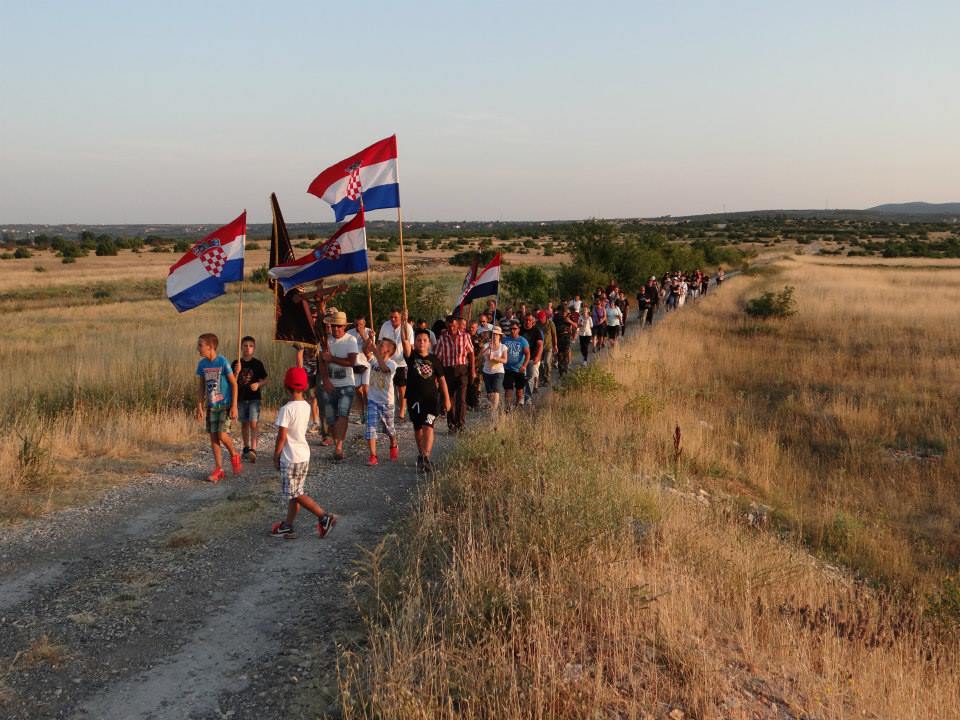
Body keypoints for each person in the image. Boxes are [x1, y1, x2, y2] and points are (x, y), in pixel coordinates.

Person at [270, 367, 337, 539]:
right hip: (303, 455)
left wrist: (276, 455)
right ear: (305, 386)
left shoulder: (286, 409)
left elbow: (282, 437)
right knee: (295, 492)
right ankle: (288, 525)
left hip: (290, 457)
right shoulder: (306, 406)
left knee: (296, 494)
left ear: (286, 386)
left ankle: (324, 517)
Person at [195, 333, 241, 483]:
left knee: (221, 434)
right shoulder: (202, 365)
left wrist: (234, 406)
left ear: (210, 347)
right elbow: (201, 386)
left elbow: (234, 384)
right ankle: (219, 468)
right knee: (213, 437)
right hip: (211, 406)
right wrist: (199, 406)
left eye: (200, 345)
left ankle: (234, 454)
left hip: (225, 405)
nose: (198, 348)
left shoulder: (222, 361)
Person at [405, 328, 451, 471]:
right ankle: (421, 455)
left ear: (430, 343)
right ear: (415, 342)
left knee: (428, 426)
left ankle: (426, 457)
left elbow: (442, 380)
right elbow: (404, 341)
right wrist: (404, 324)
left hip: (431, 400)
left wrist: (447, 399)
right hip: (414, 399)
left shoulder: (434, 360)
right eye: (419, 340)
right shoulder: (411, 357)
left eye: (425, 340)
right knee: (418, 428)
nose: (422, 343)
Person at [318, 310, 358, 462]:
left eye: (338, 326)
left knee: (342, 414)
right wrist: (326, 380)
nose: (335, 329)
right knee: (330, 417)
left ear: (344, 327)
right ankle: (337, 444)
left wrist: (332, 358)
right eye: (333, 326)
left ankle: (339, 447)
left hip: (346, 383)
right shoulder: (325, 340)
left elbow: (352, 362)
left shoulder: (351, 340)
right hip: (329, 383)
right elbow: (321, 362)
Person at [434, 314, 475, 433]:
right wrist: (437, 374)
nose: (452, 328)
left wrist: (472, 370)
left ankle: (461, 424)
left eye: (454, 326)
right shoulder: (442, 338)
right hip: (448, 370)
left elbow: (471, 353)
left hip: (462, 369)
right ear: (446, 325)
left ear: (457, 325)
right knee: (449, 398)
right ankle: (451, 425)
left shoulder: (465, 336)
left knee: (461, 399)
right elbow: (437, 357)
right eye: (449, 326)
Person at [364, 336, 398, 466]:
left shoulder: (392, 364)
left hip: (386, 403)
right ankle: (373, 455)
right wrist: (369, 341)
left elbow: (384, 369)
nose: (378, 345)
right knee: (370, 427)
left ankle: (393, 443)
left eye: (381, 345)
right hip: (372, 400)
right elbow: (365, 350)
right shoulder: (374, 361)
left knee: (389, 428)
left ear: (387, 351)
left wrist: (376, 352)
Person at [234, 336, 268, 463]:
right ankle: (246, 447)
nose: (248, 348)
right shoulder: (236, 363)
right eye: (245, 345)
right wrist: (236, 373)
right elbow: (232, 380)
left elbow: (265, 379)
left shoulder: (257, 364)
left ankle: (253, 449)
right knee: (244, 423)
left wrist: (259, 384)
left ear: (254, 348)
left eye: (251, 346)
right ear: (241, 347)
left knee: (254, 423)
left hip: (254, 398)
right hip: (241, 398)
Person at [379, 308, 414, 419]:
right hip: (388, 361)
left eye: (396, 317)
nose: (393, 319)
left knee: (402, 388)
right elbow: (380, 341)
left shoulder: (407, 327)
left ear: (401, 317)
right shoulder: (386, 325)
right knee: (387, 387)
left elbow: (411, 345)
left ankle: (402, 410)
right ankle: (388, 409)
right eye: (391, 317)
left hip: (401, 362)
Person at [347, 315, 374, 425]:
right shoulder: (349, 333)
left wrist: (364, 335)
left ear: (365, 323)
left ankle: (369, 414)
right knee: (358, 391)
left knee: (366, 391)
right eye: (357, 325)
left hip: (366, 364)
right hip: (355, 365)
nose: (358, 327)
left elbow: (370, 349)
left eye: (361, 324)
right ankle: (361, 415)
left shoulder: (369, 332)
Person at [480, 325, 508, 415]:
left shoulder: (503, 347)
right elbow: (480, 356)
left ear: (500, 336)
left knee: (496, 391)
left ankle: (494, 412)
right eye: (493, 334)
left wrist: (495, 358)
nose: (494, 336)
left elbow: (505, 360)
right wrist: (488, 348)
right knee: (490, 394)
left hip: (498, 371)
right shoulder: (487, 345)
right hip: (487, 371)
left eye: (497, 334)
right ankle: (494, 407)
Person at [502, 320, 530, 410]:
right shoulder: (505, 340)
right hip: (507, 369)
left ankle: (518, 405)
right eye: (511, 329)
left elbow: (527, 354)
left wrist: (524, 365)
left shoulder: (523, 341)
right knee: (508, 389)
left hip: (519, 369)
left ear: (518, 329)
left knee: (519, 390)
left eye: (514, 329)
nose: (512, 330)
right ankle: (508, 407)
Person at [522, 313, 544, 399]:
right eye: (526, 320)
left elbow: (540, 345)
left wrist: (538, 356)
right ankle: (521, 396)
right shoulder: (520, 330)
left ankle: (528, 397)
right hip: (522, 358)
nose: (527, 322)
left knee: (530, 377)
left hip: (532, 358)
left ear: (533, 322)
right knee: (522, 377)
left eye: (529, 320)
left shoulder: (536, 331)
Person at [536, 310, 557, 386]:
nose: (540, 320)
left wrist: (555, 345)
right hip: (540, 347)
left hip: (548, 346)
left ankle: (547, 379)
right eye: (539, 318)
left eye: (541, 318)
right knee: (540, 363)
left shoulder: (550, 323)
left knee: (547, 362)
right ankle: (541, 379)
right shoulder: (537, 324)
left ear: (545, 317)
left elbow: (554, 335)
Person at [554, 306, 574, 376]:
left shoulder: (569, 317)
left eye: (565, 312)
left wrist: (569, 321)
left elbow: (576, 325)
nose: (563, 313)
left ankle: (565, 370)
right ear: (560, 312)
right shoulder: (556, 318)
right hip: (559, 337)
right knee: (559, 355)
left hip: (566, 337)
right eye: (562, 312)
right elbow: (553, 328)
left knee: (565, 353)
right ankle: (561, 371)